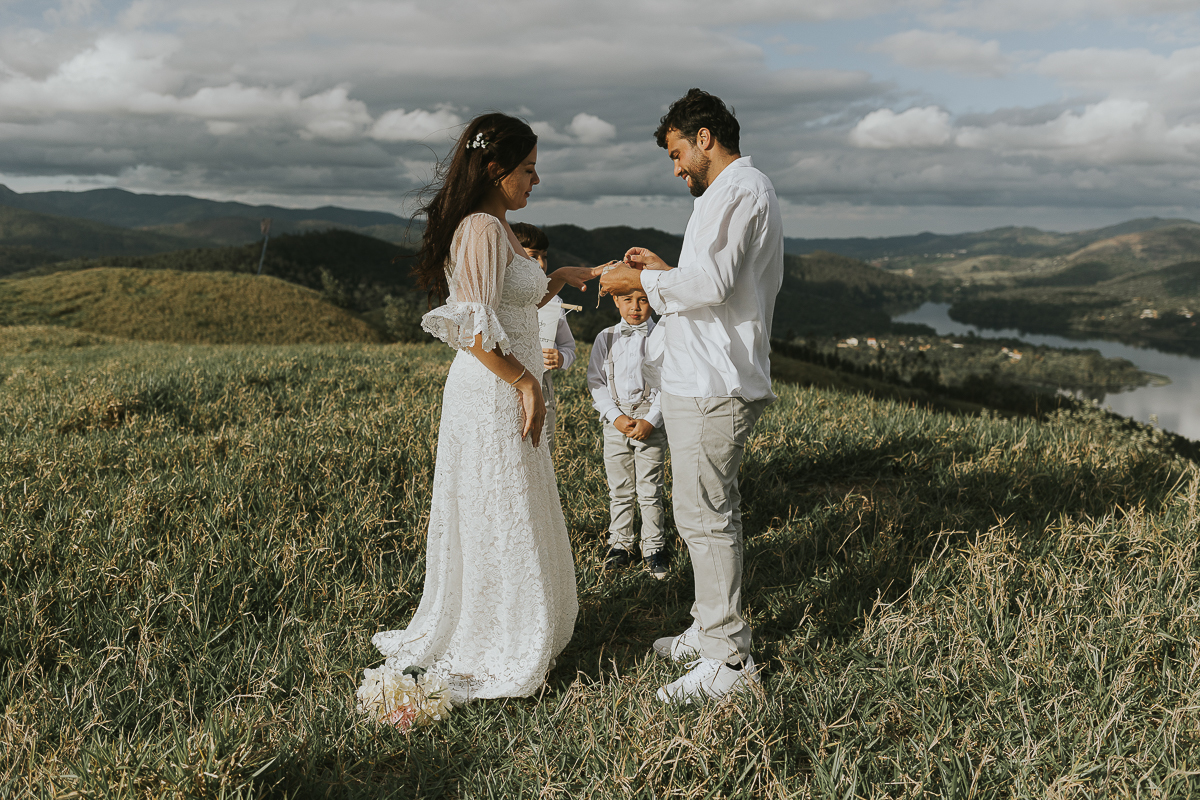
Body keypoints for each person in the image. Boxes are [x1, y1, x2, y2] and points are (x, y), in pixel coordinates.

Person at [359, 113, 597, 706]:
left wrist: (557, 279)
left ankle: (520, 620)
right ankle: (494, 633)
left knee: (511, 501)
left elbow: (510, 306)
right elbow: (473, 331)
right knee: (496, 503)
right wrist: (526, 382)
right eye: (528, 169)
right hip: (492, 391)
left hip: (506, 386)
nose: (535, 180)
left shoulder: (501, 226)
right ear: (495, 169)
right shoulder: (481, 229)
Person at [599, 89, 783, 704]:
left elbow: (713, 283)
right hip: (697, 377)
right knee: (698, 512)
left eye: (677, 153)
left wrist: (639, 279)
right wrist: (659, 269)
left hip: (715, 381)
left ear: (705, 138)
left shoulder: (741, 189)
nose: (676, 168)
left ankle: (729, 661)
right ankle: (708, 627)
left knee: (706, 518)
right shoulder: (723, 194)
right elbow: (707, 280)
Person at [586, 287, 669, 579]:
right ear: (616, 300)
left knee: (650, 488)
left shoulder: (663, 337)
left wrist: (651, 420)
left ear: (653, 302)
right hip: (615, 422)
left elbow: (669, 382)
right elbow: (596, 381)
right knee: (619, 487)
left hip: (651, 421)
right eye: (628, 300)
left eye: (643, 300)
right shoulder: (605, 337)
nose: (635, 307)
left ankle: (653, 547)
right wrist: (615, 416)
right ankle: (620, 543)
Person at [511, 222, 577, 451]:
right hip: (507, 384)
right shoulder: (501, 298)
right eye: (533, 256)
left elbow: (568, 346)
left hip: (543, 386)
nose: (541, 264)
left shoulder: (554, 301)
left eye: (544, 257)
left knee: (541, 448)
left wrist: (562, 358)